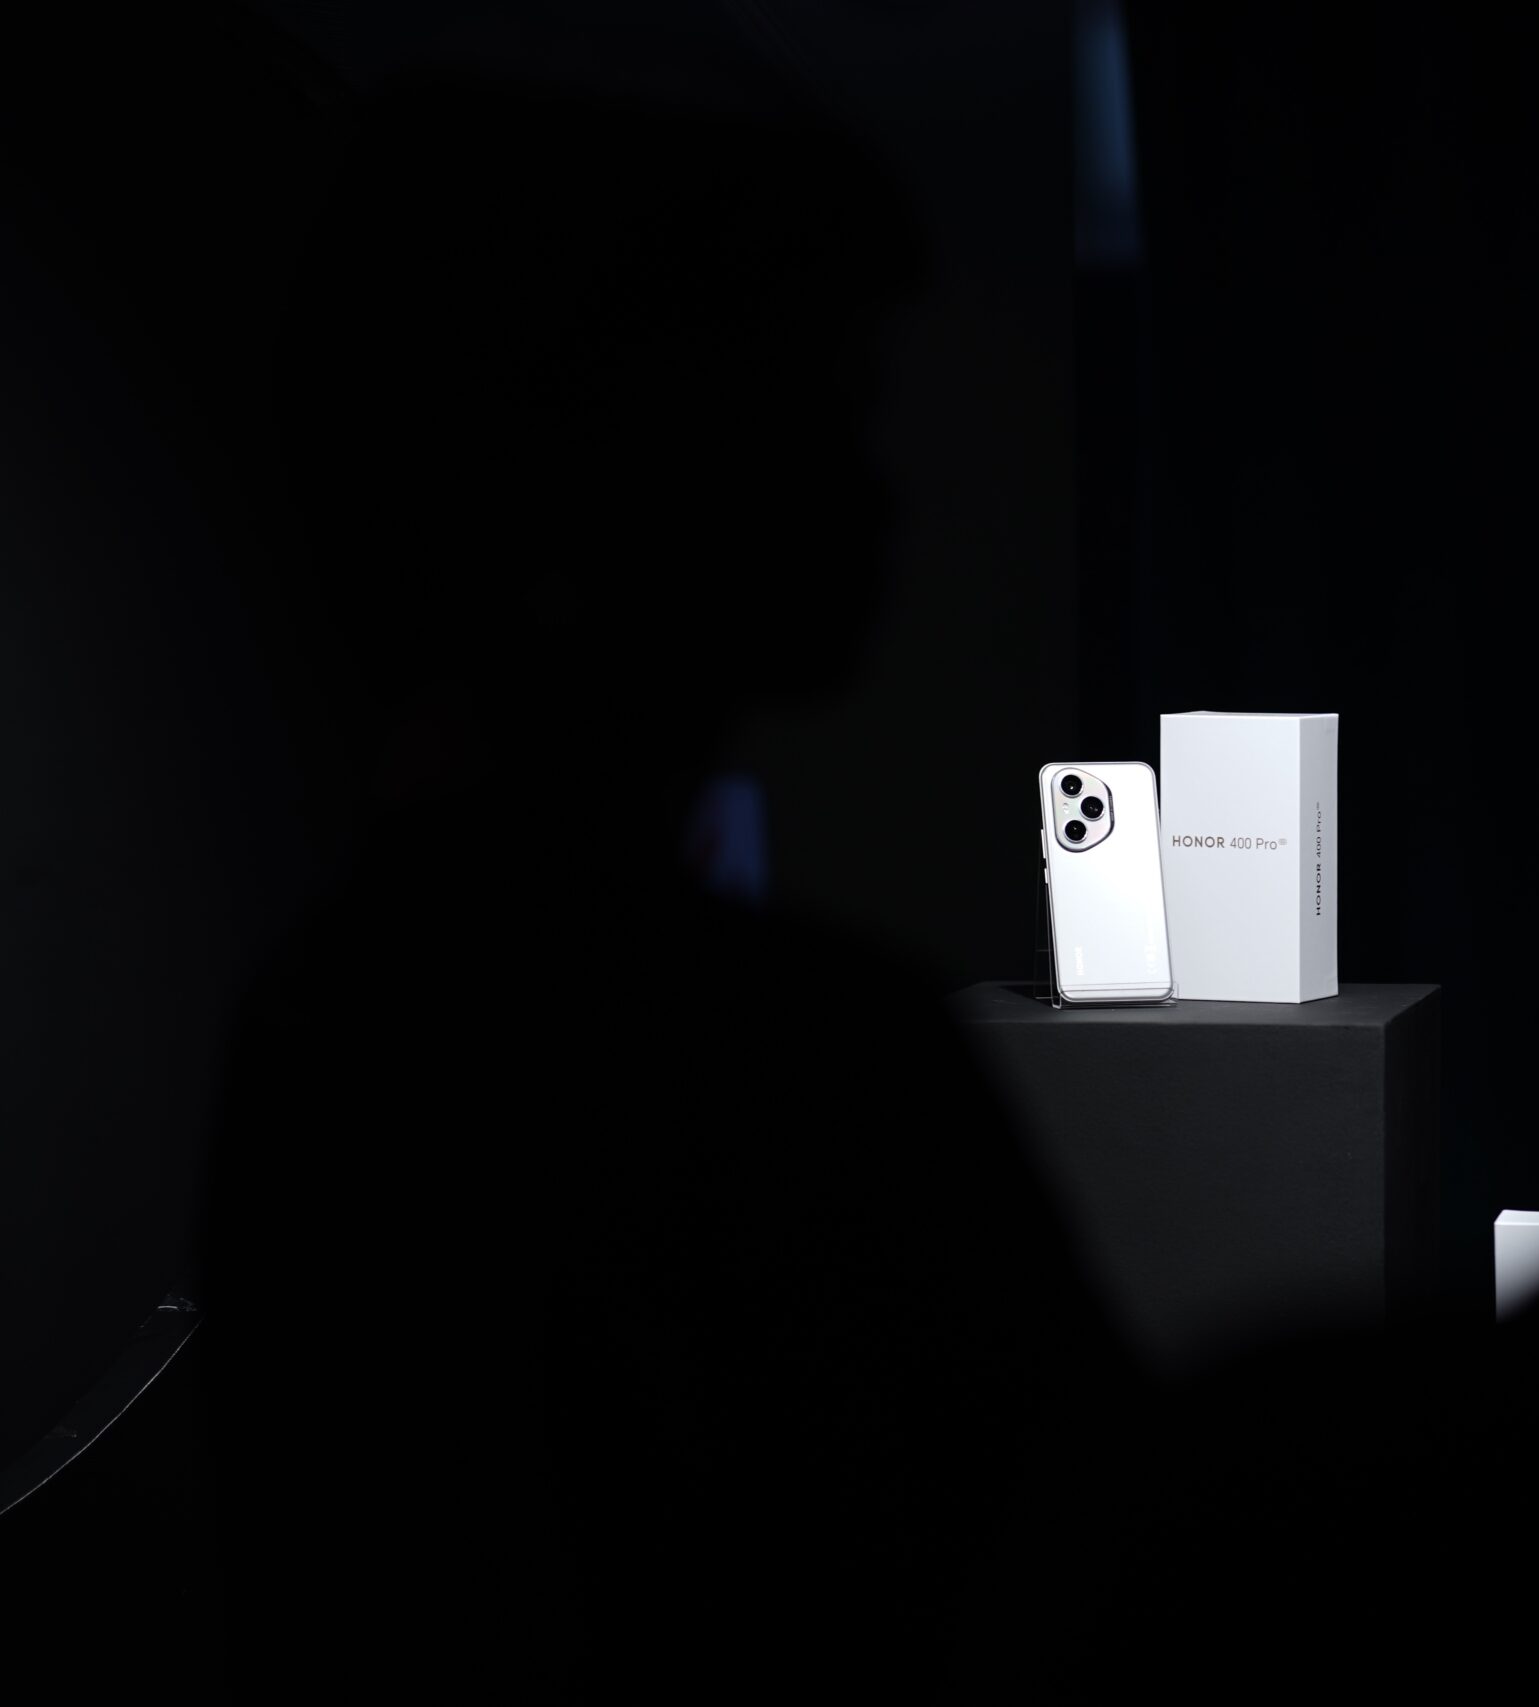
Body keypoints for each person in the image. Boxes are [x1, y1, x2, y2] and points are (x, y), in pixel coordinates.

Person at [203, 69, 1136, 1698]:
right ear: (627, 464)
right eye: (821, 414)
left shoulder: (327, 1021)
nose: (880, 493)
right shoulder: (803, 1057)